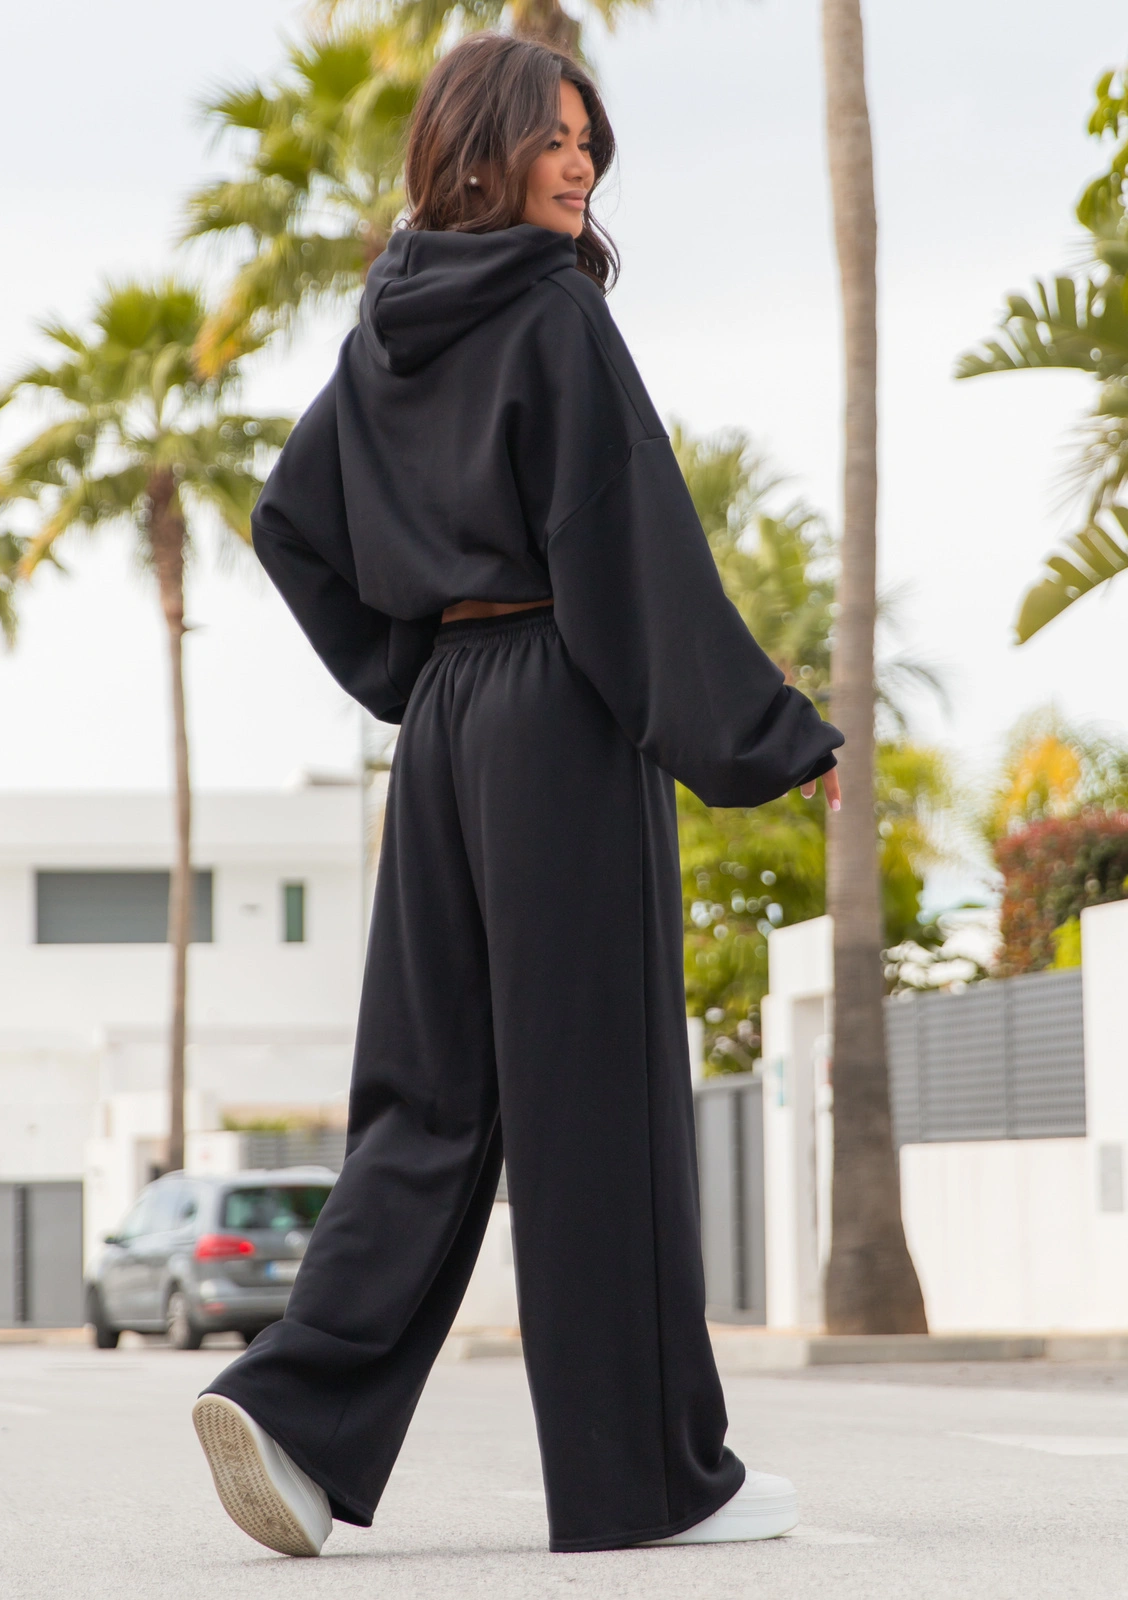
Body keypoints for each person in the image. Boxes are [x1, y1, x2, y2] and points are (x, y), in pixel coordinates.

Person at [192, 31, 842, 1558]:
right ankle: (653, 1483)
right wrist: (770, 738)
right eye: (553, 136)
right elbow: (629, 544)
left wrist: (407, 667)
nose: (580, 162)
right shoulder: (555, 313)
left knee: (426, 1099)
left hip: (443, 736)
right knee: (597, 1099)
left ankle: (294, 1413)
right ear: (479, 147)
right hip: (557, 713)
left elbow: (291, 522)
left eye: (589, 140)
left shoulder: (386, 327)